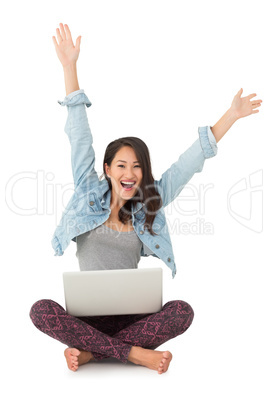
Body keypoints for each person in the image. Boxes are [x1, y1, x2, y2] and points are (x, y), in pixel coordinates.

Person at [29, 23, 262, 375]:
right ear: (107, 169)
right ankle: (134, 354)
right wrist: (69, 67)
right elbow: (79, 134)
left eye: (137, 166)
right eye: (121, 165)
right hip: (86, 318)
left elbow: (189, 163)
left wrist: (231, 115)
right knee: (40, 309)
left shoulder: (151, 201)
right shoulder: (86, 191)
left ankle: (94, 352)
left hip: (132, 318)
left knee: (182, 310)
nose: (130, 173)